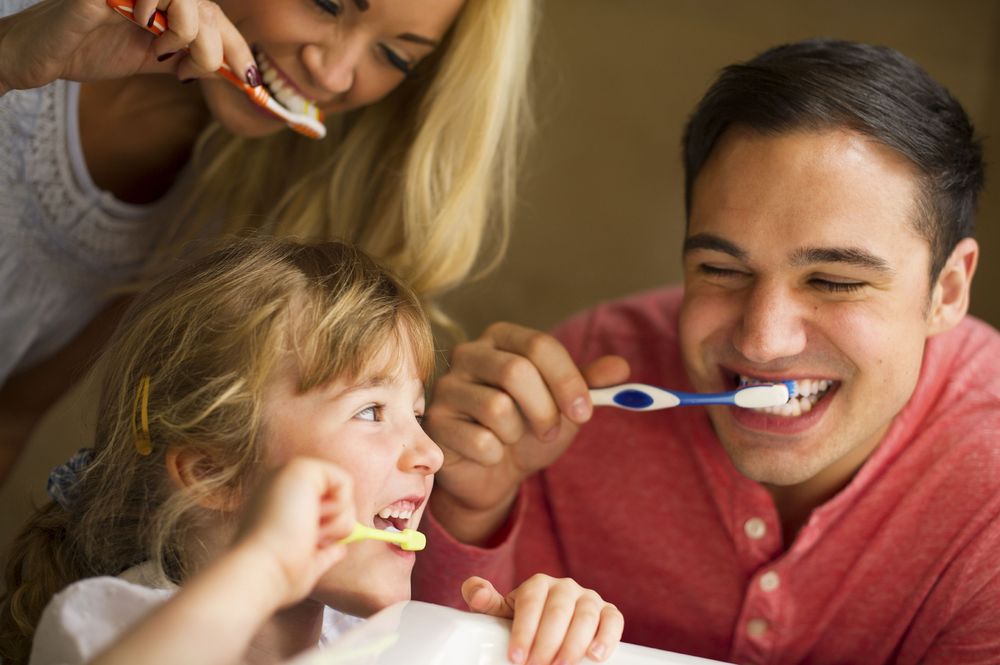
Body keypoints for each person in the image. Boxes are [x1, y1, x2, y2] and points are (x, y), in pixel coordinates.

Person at [412, 39, 1000, 664]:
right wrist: (470, 510)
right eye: (721, 268)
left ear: (948, 290)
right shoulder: (586, 377)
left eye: (834, 281)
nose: (761, 341)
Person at [0, 238, 624, 665]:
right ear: (214, 471)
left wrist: (506, 641)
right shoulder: (111, 622)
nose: (430, 453)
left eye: (416, 412)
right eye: (371, 411)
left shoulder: (371, 642)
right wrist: (264, 567)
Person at [0, 0, 536, 483]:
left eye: (394, 58)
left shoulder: (224, 217)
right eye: (325, 4)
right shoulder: (31, 27)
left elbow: (13, 415)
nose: (334, 72)